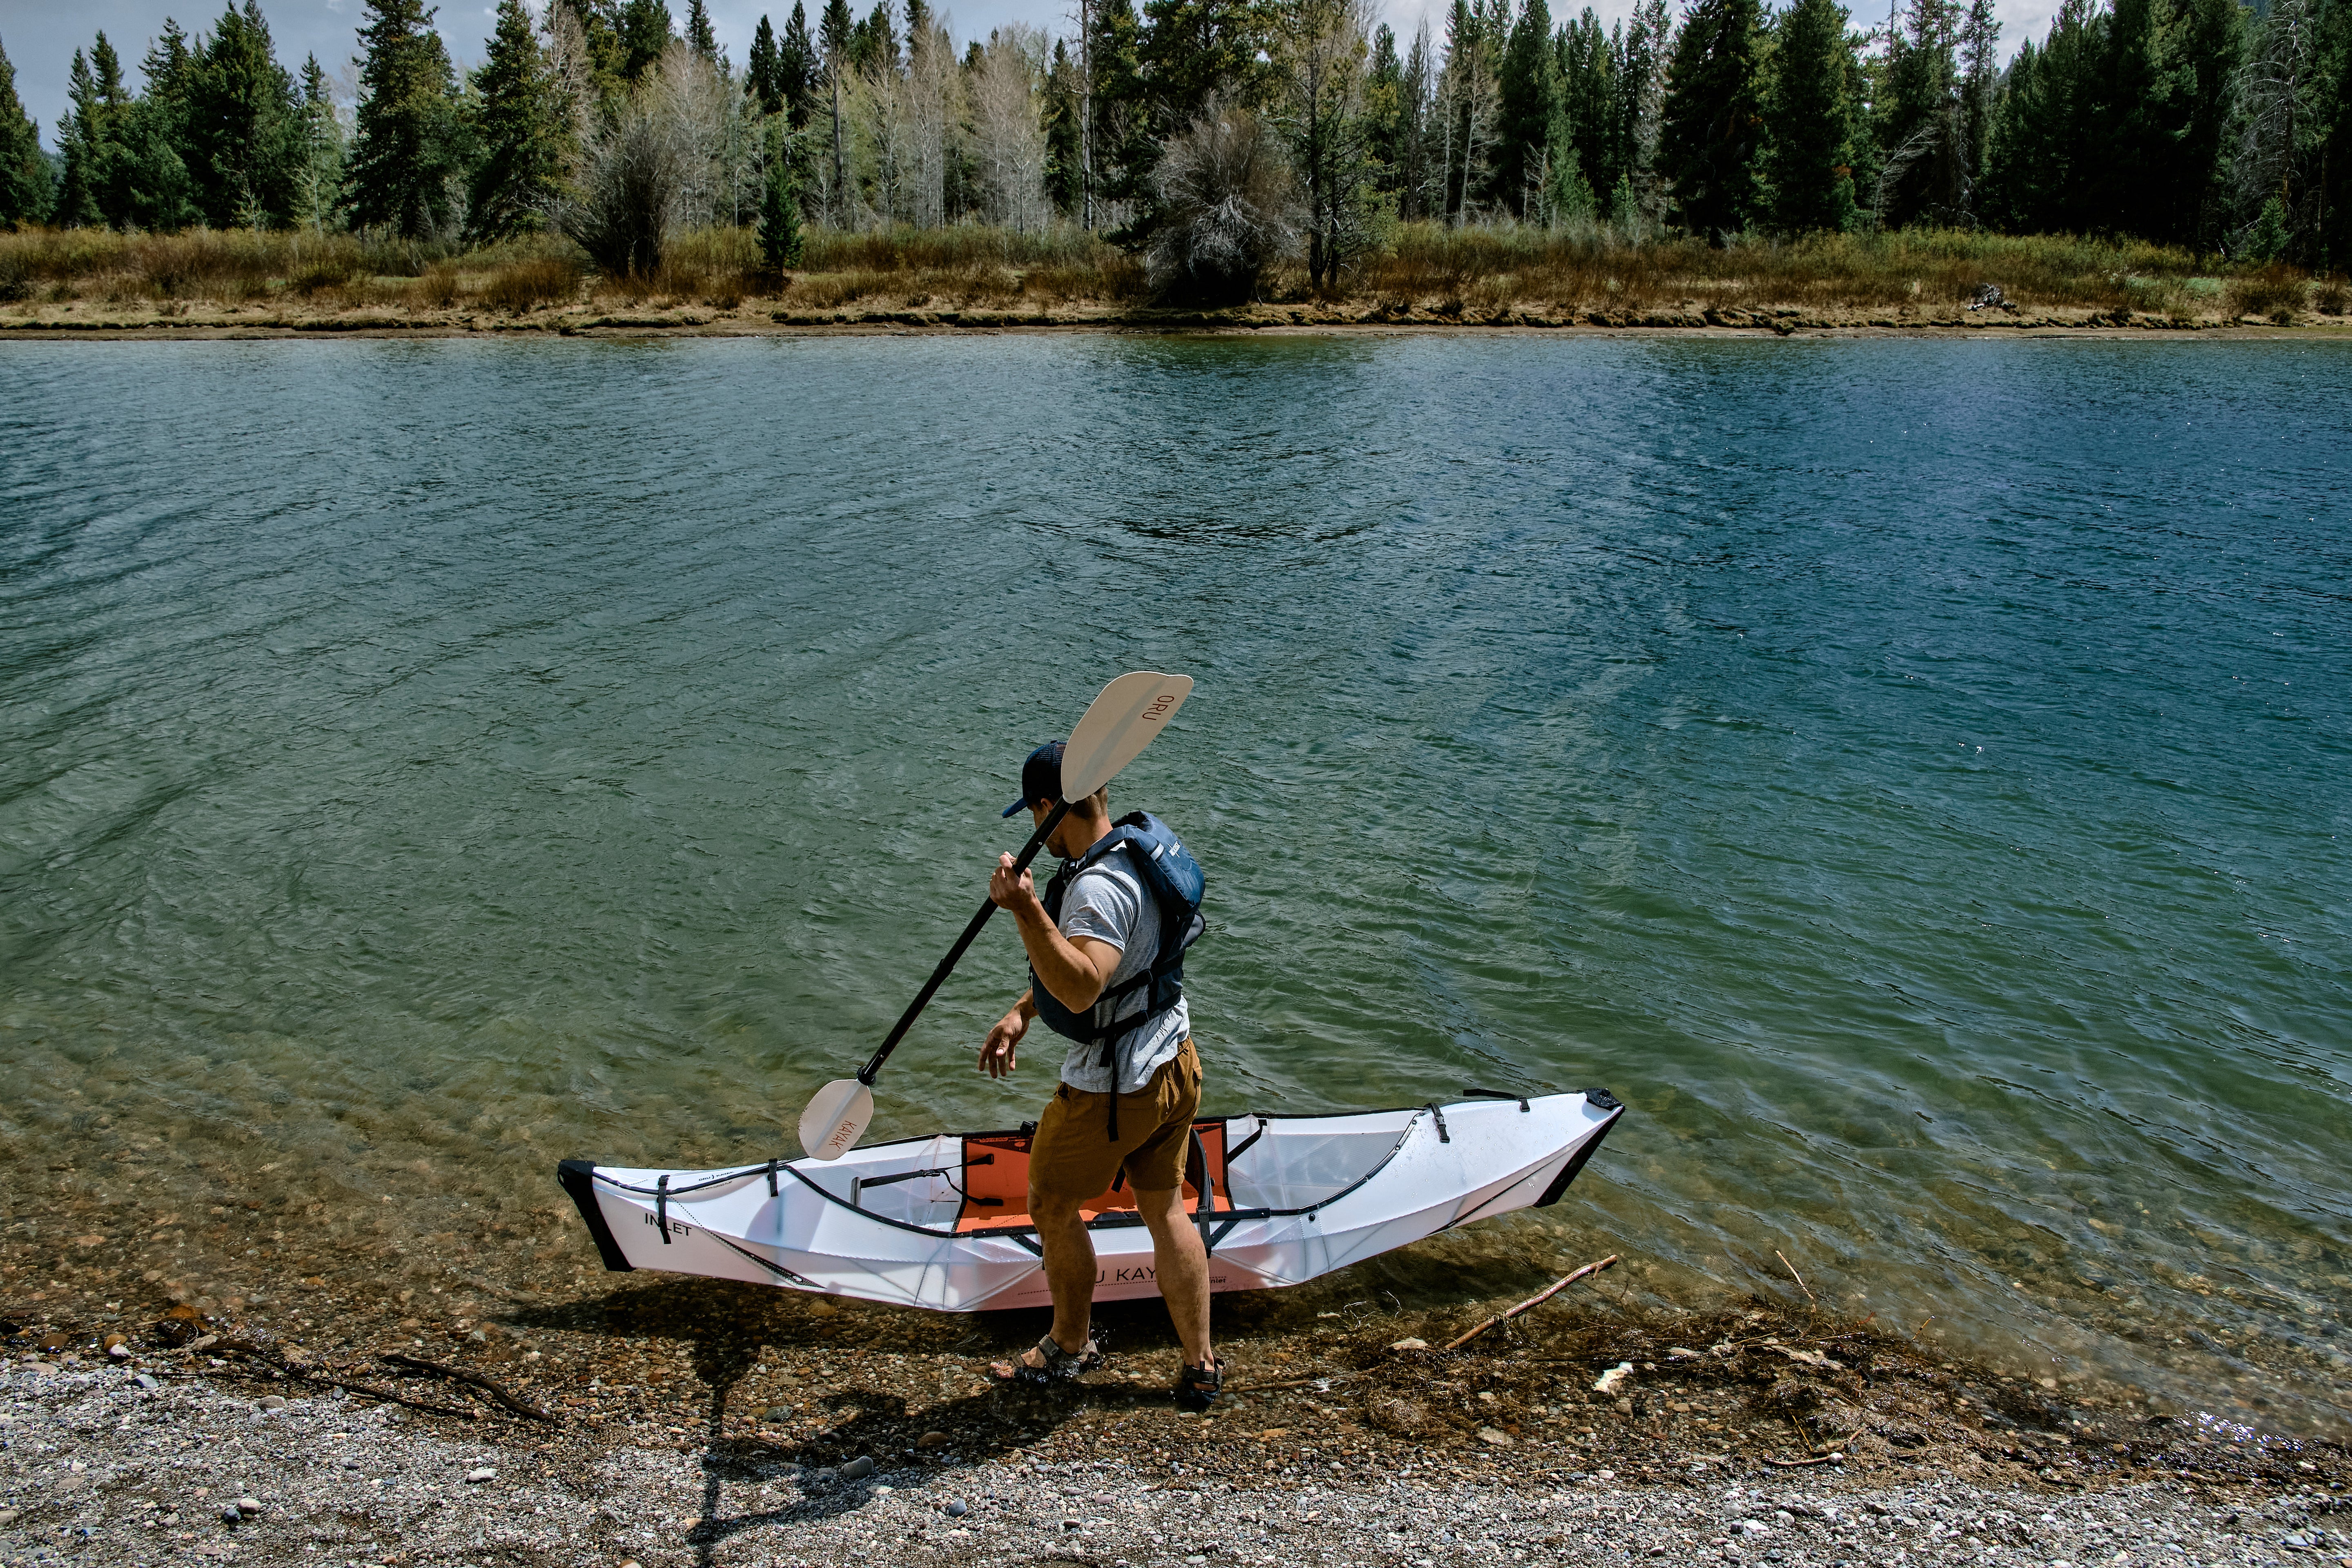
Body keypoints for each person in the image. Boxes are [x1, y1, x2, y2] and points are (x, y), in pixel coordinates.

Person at [978, 739, 1221, 1410]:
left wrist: (1025, 909)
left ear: (1050, 808)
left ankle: (1068, 1343)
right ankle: (1201, 1365)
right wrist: (1024, 1011)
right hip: (1174, 1059)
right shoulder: (1135, 850)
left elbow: (1084, 985)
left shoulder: (1094, 888)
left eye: (1032, 816)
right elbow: (1119, 966)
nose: (1033, 834)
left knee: (1051, 1201)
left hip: (1117, 1086)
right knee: (1164, 1207)